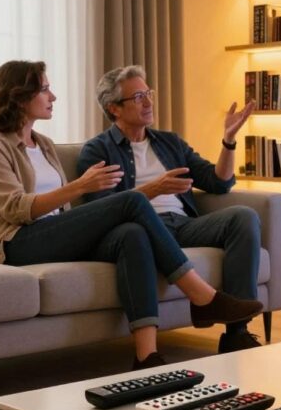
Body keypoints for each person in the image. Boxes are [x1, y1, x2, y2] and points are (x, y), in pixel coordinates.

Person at [0, 61, 263, 370]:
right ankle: (201, 296)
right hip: (15, 241)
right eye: (44, 89)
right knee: (132, 203)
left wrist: (228, 140)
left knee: (131, 235)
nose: (52, 96)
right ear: (19, 96)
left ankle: (146, 356)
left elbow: (218, 181)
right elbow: (15, 208)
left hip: (56, 232)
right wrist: (80, 186)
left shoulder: (43, 144)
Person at [76, 65, 266, 355]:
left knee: (243, 216)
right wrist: (155, 188)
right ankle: (203, 302)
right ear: (114, 108)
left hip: (183, 224)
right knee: (138, 227)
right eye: (138, 97)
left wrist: (228, 141)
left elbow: (218, 181)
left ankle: (237, 333)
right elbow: (102, 210)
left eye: (148, 93)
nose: (149, 102)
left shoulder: (169, 142)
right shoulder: (97, 151)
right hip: (143, 230)